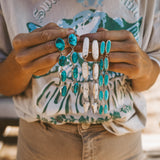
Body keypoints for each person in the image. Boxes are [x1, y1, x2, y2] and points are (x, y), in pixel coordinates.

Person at [0, 0, 160, 159]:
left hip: (124, 146)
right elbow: (5, 85)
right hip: (39, 145)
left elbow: (148, 76)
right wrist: (19, 65)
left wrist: (144, 68)